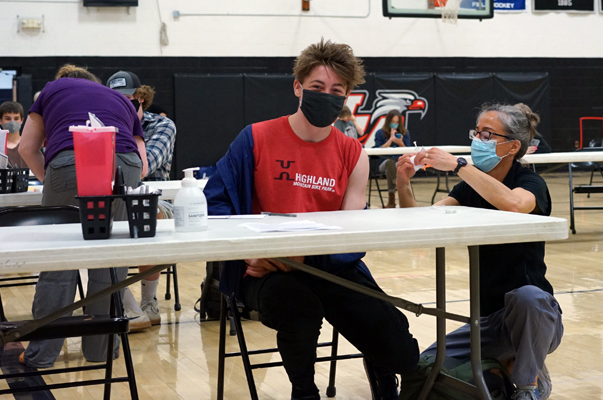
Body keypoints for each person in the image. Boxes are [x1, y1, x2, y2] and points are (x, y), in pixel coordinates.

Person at [203, 40, 419, 400]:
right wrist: (248, 253)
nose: (327, 96)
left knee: (401, 350)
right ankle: (304, 392)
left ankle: (382, 368)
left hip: (328, 267)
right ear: (298, 87)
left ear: (348, 95)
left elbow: (351, 234)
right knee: (298, 307)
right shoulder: (255, 138)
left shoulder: (353, 154)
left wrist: (305, 255)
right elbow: (215, 205)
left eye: (337, 90)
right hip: (264, 270)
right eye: (318, 88)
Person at [396, 104, 563, 400]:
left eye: (487, 134)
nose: (477, 140)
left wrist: (459, 165)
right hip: (487, 323)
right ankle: (502, 369)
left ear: (512, 146)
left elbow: (513, 204)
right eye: (477, 133)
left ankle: (529, 385)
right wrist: (403, 183)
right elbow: (421, 224)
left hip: (533, 318)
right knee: (422, 368)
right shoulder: (467, 189)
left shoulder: (530, 183)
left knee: (529, 296)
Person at [18, 65, 148, 368]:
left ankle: (42, 355)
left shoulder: (52, 88)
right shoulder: (121, 100)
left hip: (72, 160)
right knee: (108, 260)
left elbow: (26, 147)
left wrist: (52, 183)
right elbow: (141, 166)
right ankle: (100, 351)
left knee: (58, 261)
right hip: (124, 165)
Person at [107, 70, 177, 327]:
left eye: (126, 99)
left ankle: (149, 301)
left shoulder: (161, 125)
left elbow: (141, 167)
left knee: (144, 212)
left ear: (139, 98)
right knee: (99, 218)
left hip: (155, 199)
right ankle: (124, 299)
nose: (120, 105)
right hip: (114, 201)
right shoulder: (102, 127)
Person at [373, 110, 411, 208]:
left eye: (396, 122)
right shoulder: (380, 133)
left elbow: (409, 151)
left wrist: (400, 143)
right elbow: (376, 150)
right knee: (390, 164)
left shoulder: (404, 133)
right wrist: (390, 140)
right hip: (384, 163)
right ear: (388, 121)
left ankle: (391, 201)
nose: (394, 124)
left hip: (399, 163)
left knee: (395, 166)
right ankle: (398, 184)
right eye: (392, 122)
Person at [0, 101, 27, 168]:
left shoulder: (28, 144)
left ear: (22, 120)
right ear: (0, 121)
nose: (12, 122)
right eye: (8, 119)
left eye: (16, 118)